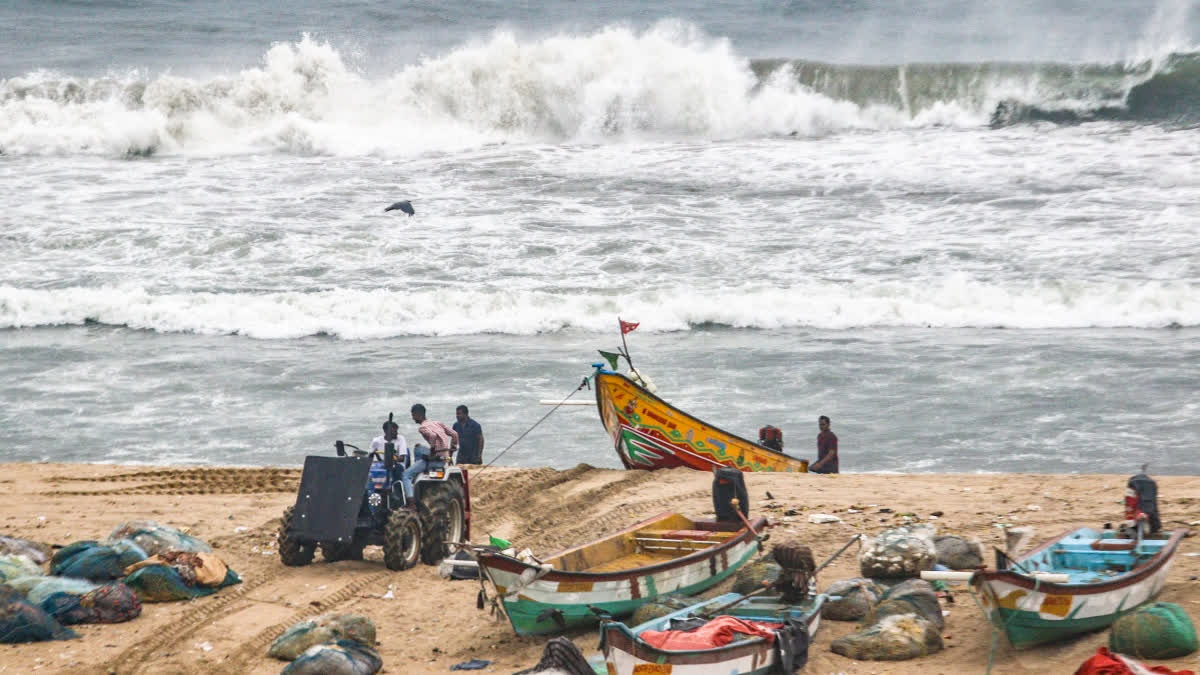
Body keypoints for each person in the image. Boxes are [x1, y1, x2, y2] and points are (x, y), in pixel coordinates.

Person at [401, 403, 458, 501]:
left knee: (406, 474)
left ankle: (411, 501)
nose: (413, 418)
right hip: (445, 456)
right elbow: (454, 434)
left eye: (413, 415)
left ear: (418, 415)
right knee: (418, 448)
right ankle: (420, 471)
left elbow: (432, 436)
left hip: (436, 459)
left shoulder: (422, 428)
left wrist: (432, 452)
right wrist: (452, 450)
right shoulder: (437, 423)